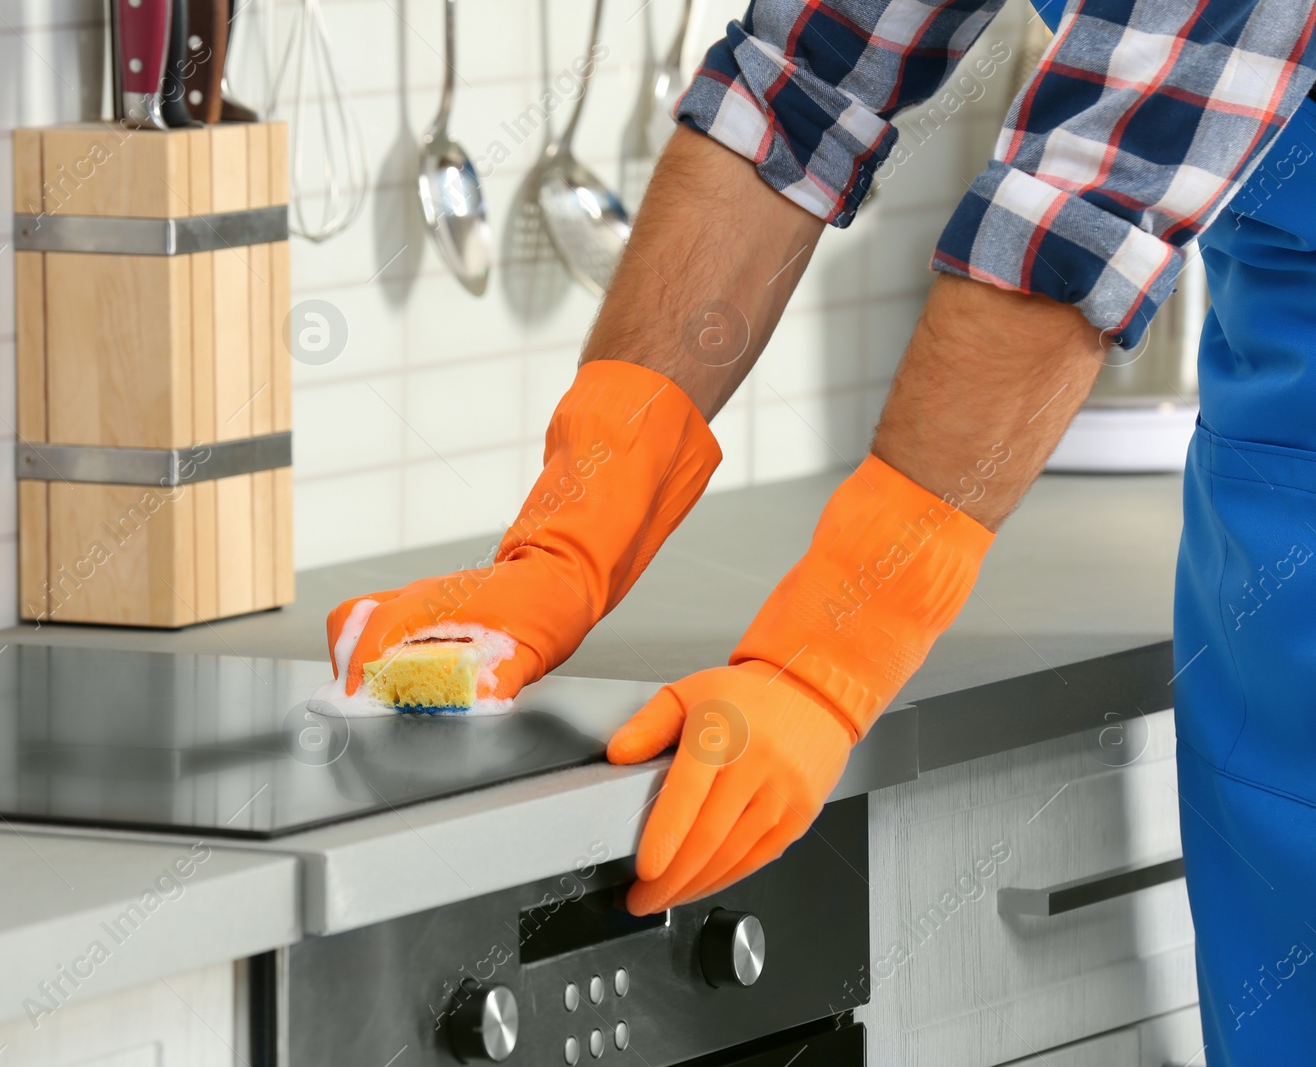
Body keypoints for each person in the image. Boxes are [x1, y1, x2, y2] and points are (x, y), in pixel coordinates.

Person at [325, 1, 1316, 1058]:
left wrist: (825, 654)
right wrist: (571, 530)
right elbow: (796, 85)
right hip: (1274, 469)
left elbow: (1076, 214)